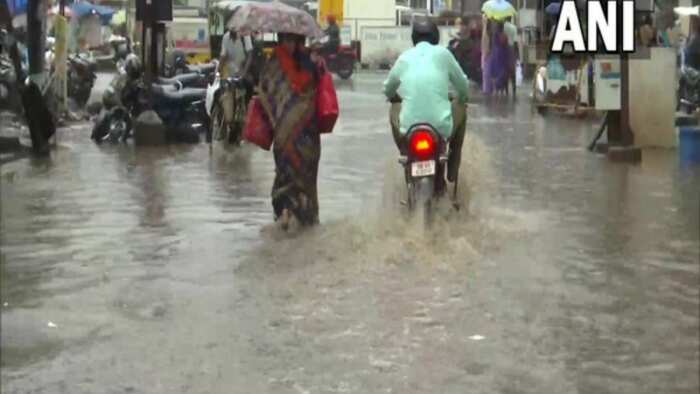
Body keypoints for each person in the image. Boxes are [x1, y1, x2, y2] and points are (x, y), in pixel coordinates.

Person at [383, 19, 469, 187]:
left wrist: (394, 98)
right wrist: (463, 98)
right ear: (436, 36)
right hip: (440, 127)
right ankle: (452, 170)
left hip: (409, 128)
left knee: (393, 108)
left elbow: (388, 88)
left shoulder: (404, 58)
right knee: (462, 109)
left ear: (414, 38)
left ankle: (404, 150)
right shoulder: (444, 54)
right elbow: (463, 84)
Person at [257, 33, 323, 229]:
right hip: (285, 135)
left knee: (303, 177)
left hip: (305, 137)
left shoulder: (307, 61)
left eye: (294, 40)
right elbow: (266, 93)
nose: (291, 45)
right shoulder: (275, 64)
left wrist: (314, 64)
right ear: (281, 40)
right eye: (287, 40)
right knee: (287, 176)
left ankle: (298, 216)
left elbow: (313, 92)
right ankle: (287, 213)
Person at [503, 16, 519, 95]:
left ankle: (506, 91)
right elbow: (516, 42)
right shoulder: (514, 27)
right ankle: (514, 90)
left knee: (505, 70)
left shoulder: (503, 27)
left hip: (504, 49)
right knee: (512, 70)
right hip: (511, 49)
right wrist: (517, 54)